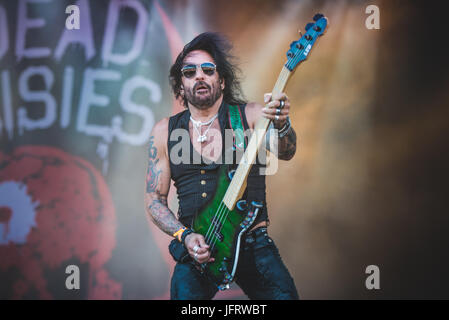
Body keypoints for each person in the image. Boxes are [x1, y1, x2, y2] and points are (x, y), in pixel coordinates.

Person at [144, 32, 299, 300]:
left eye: (208, 69)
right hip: (198, 245)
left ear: (222, 81)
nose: (199, 76)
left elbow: (286, 152)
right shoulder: (164, 132)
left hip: (251, 242)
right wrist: (185, 236)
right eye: (189, 72)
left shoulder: (249, 115)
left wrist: (282, 123)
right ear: (181, 85)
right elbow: (154, 199)